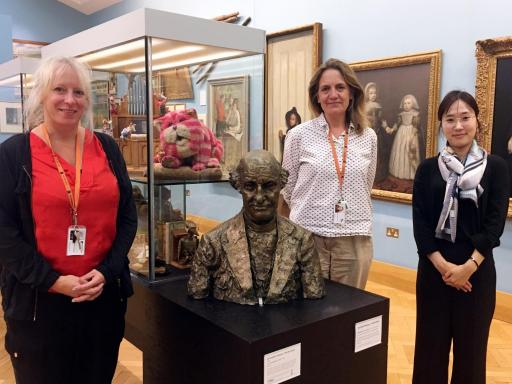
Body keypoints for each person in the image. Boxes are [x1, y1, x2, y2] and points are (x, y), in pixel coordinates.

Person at [0, 56, 137, 384]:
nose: (69, 100)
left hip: (101, 299)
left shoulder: (106, 148)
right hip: (39, 305)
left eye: (78, 92)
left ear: (87, 100)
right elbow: (3, 232)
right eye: (59, 89)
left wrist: (106, 272)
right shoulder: (13, 154)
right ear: (42, 96)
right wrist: (52, 280)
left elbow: (128, 216)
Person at [412, 90, 509, 383]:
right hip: (433, 274)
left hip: (476, 276)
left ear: (477, 121)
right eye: (450, 119)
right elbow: (421, 225)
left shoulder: (496, 168)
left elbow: (494, 226)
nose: (458, 126)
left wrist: (467, 267)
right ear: (441, 123)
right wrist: (445, 268)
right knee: (429, 353)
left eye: (465, 118)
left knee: (471, 354)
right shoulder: (428, 168)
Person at [280, 58, 377, 289]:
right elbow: (287, 190)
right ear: (317, 96)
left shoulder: (368, 137)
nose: (333, 94)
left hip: (354, 239)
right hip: (307, 238)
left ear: (352, 93)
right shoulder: (298, 136)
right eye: (325, 89)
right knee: (307, 314)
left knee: (348, 312)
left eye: (340, 87)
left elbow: (366, 185)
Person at [188, 150, 325, 305]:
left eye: (269, 186)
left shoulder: (302, 239)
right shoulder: (213, 242)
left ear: (281, 185)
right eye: (250, 186)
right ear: (238, 186)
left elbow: (314, 293)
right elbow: (197, 293)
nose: (259, 197)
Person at [384, 94, 421, 180]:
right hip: (401, 133)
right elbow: (397, 124)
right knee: (400, 150)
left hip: (411, 133)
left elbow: (416, 127)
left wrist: (412, 136)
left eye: (408, 103)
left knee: (409, 151)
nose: (406, 105)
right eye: (405, 103)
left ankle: (411, 173)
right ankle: (399, 171)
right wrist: (391, 129)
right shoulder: (401, 114)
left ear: (413, 104)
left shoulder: (415, 114)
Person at [364, 82, 389, 182]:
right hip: (366, 131)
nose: (373, 95)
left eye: (374, 93)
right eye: (370, 93)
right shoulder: (364, 106)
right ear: (367, 94)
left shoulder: (379, 105)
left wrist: (386, 127)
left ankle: (378, 174)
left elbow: (382, 119)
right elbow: (362, 118)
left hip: (377, 131)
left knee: (378, 152)